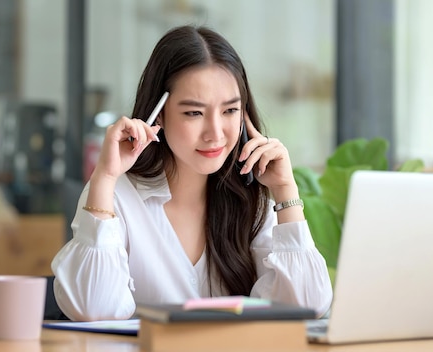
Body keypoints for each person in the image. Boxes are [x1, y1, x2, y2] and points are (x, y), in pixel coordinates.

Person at [51, 25, 333, 321]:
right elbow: (93, 310)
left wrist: (285, 191)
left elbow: (308, 307)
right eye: (194, 113)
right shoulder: (115, 196)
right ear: (159, 113)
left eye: (229, 111)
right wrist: (105, 177)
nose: (215, 134)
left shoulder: (252, 199)